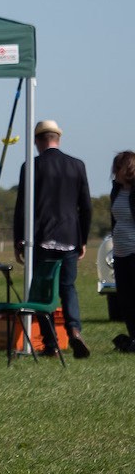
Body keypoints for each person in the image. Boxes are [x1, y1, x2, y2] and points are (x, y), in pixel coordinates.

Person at [13, 119, 92, 358]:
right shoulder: (77, 165)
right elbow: (86, 207)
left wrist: (19, 239)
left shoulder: (31, 166)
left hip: (41, 238)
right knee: (68, 287)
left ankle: (51, 343)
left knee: (41, 292)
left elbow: (22, 207)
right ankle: (74, 330)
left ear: (38, 141)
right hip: (69, 237)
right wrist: (83, 239)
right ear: (58, 138)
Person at [108, 150, 135, 352]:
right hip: (120, 252)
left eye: (118, 168)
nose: (114, 172)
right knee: (125, 299)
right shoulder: (116, 190)